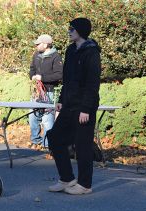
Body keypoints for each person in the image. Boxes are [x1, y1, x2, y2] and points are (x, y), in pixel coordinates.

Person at [47, 18, 101, 195]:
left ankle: (85, 185)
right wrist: (61, 99)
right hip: (69, 104)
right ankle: (67, 179)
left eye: (72, 29)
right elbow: (68, 79)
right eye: (69, 28)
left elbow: (92, 83)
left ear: (81, 31)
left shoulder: (92, 52)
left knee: (82, 144)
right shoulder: (71, 50)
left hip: (85, 106)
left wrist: (86, 108)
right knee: (55, 137)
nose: (69, 31)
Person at [28, 34, 63, 148]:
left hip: (49, 92)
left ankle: (47, 145)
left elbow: (59, 75)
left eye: (38, 44)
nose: (36, 46)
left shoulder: (56, 56)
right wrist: (32, 76)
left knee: (47, 119)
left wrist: (42, 78)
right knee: (33, 117)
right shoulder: (36, 55)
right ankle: (35, 141)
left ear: (46, 44)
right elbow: (32, 69)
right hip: (36, 92)